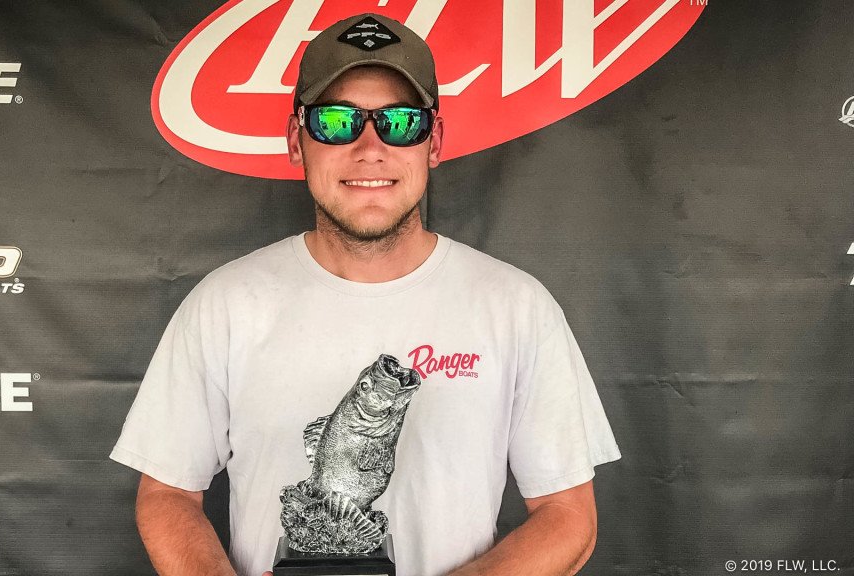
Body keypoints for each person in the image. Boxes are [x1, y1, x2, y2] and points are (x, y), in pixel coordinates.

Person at [111, 12, 621, 576]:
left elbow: (568, 515)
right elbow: (167, 495)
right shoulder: (225, 304)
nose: (370, 148)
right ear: (296, 141)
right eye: (336, 122)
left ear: (433, 142)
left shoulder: (517, 307)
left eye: (401, 122)